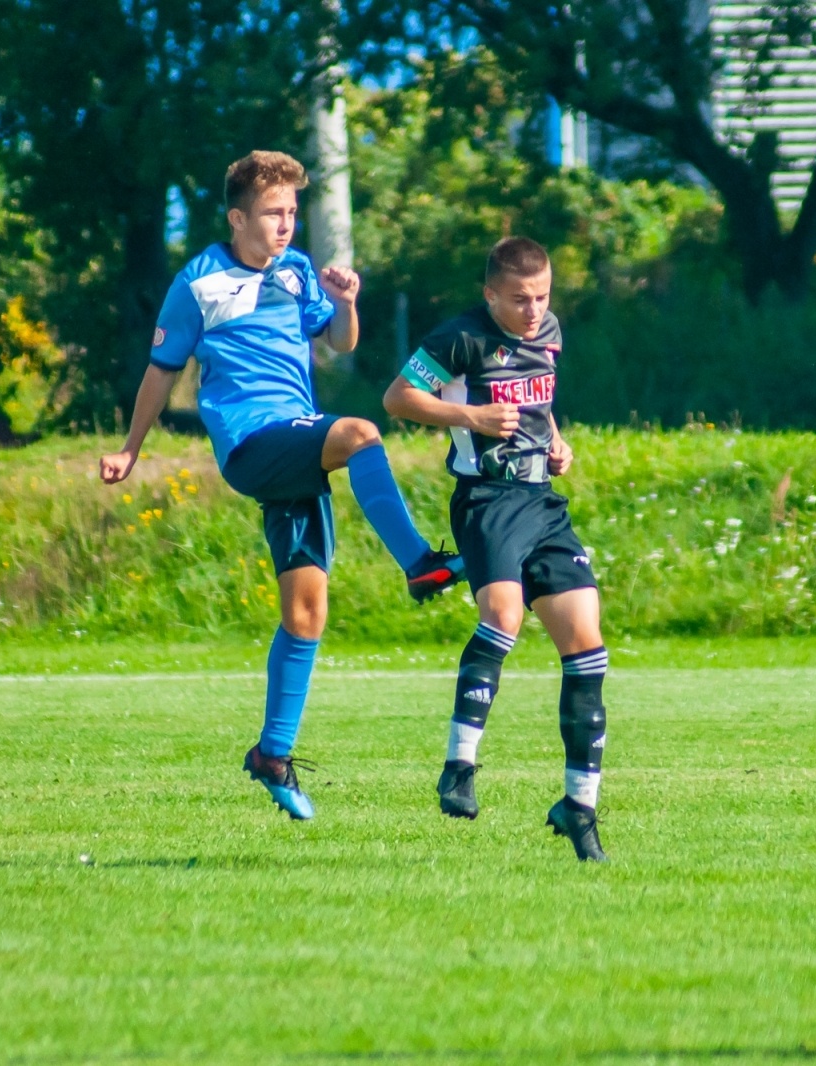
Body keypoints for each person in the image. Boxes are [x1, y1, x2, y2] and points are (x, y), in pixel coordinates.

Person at [100, 150, 462, 822]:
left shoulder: (297, 273)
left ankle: (272, 753)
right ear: (238, 217)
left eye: (293, 212)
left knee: (306, 613)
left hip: (294, 441)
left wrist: (348, 302)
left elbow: (342, 345)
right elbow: (159, 372)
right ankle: (419, 565)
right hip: (253, 442)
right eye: (273, 213)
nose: (286, 224)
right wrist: (130, 449)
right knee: (358, 434)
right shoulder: (198, 282)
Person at [382, 236, 609, 863]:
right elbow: (397, 399)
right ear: (490, 294)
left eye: (541, 297)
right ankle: (459, 767)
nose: (533, 310)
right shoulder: (460, 338)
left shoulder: (551, 330)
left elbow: (539, 402)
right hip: (486, 500)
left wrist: (557, 444)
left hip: (542, 503)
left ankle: (579, 808)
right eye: (519, 299)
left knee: (587, 647)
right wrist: (473, 419)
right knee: (504, 617)